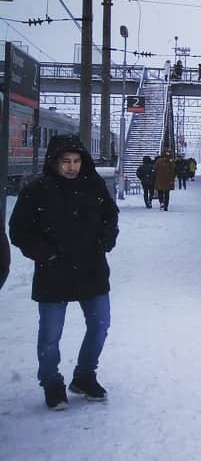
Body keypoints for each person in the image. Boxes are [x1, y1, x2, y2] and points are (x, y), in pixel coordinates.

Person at [9, 134, 119, 410]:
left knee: (100, 324)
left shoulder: (94, 186)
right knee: (50, 334)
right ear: (55, 162)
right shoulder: (36, 190)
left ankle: (84, 376)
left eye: (76, 161)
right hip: (53, 271)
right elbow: (20, 231)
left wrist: (107, 239)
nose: (71, 167)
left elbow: (110, 217)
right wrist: (46, 253)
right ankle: (51, 383)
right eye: (65, 162)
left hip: (91, 269)